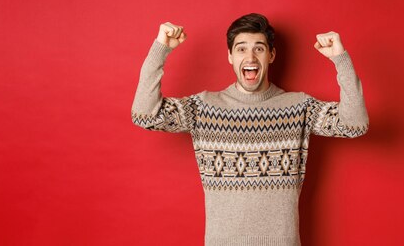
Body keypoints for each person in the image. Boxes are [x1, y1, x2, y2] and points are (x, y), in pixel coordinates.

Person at [131, 13, 368, 246]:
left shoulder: (299, 107)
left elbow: (355, 124)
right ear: (230, 57)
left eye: (259, 48)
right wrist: (161, 47)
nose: (250, 56)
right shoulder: (204, 107)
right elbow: (144, 114)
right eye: (241, 49)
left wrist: (340, 59)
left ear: (271, 55)